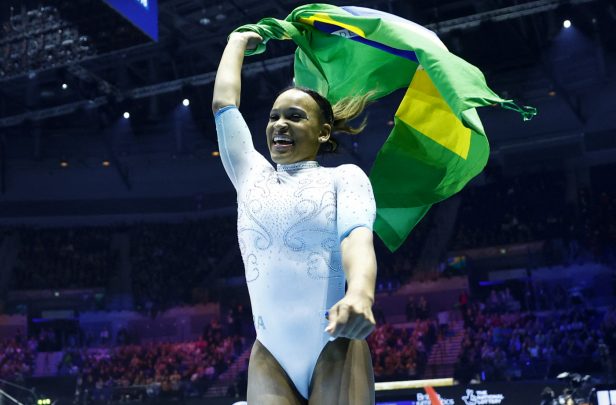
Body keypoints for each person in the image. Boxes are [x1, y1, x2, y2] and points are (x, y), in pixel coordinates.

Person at [212, 31, 378, 404]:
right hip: (270, 353)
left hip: (335, 343)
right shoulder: (250, 175)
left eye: (295, 117)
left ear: (323, 132)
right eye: (273, 117)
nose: (279, 125)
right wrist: (236, 42)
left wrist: (360, 294)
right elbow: (224, 106)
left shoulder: (344, 177)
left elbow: (357, 239)